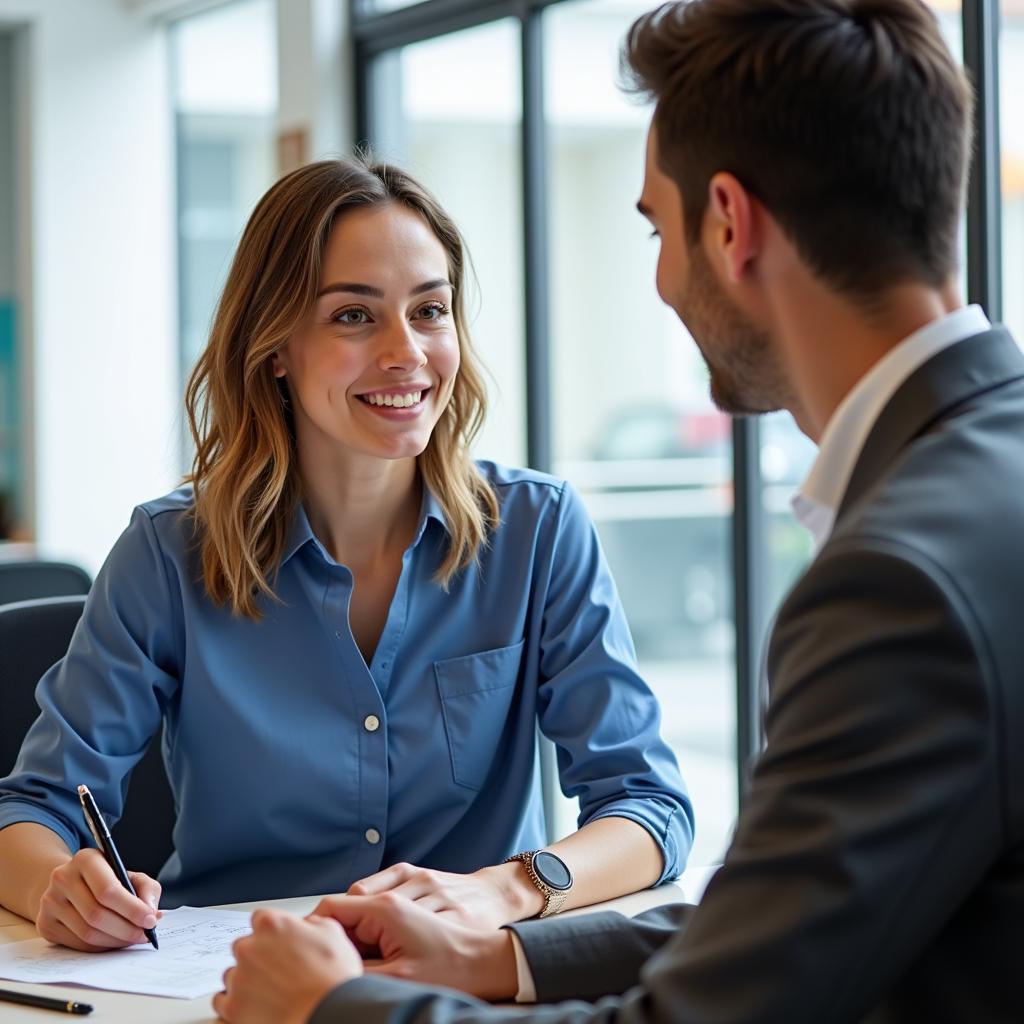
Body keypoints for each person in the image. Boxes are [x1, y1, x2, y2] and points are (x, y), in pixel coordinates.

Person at [213, 1, 1024, 1022]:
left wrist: (338, 1007)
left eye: (655, 225)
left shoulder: (899, 578)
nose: (659, 279)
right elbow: (793, 918)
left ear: (728, 223)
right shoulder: (991, 480)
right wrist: (505, 958)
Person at [0, 158, 694, 951]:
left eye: (429, 310)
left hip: (464, 989)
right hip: (232, 986)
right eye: (354, 317)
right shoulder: (166, 555)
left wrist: (504, 889)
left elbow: (649, 806)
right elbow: (32, 810)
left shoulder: (537, 530)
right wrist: (59, 889)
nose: (406, 353)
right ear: (275, 348)